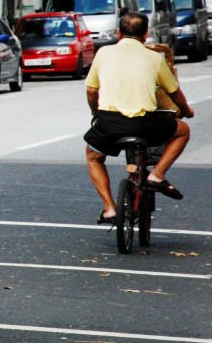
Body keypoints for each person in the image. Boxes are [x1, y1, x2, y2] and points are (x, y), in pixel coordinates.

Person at [83, 12, 195, 225]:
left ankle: (109, 208)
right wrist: (186, 110)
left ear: (118, 33)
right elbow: (174, 92)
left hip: (109, 124)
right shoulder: (154, 58)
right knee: (183, 131)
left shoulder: (104, 53)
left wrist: (95, 112)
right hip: (144, 124)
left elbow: (91, 90)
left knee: (93, 157)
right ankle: (157, 175)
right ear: (146, 34)